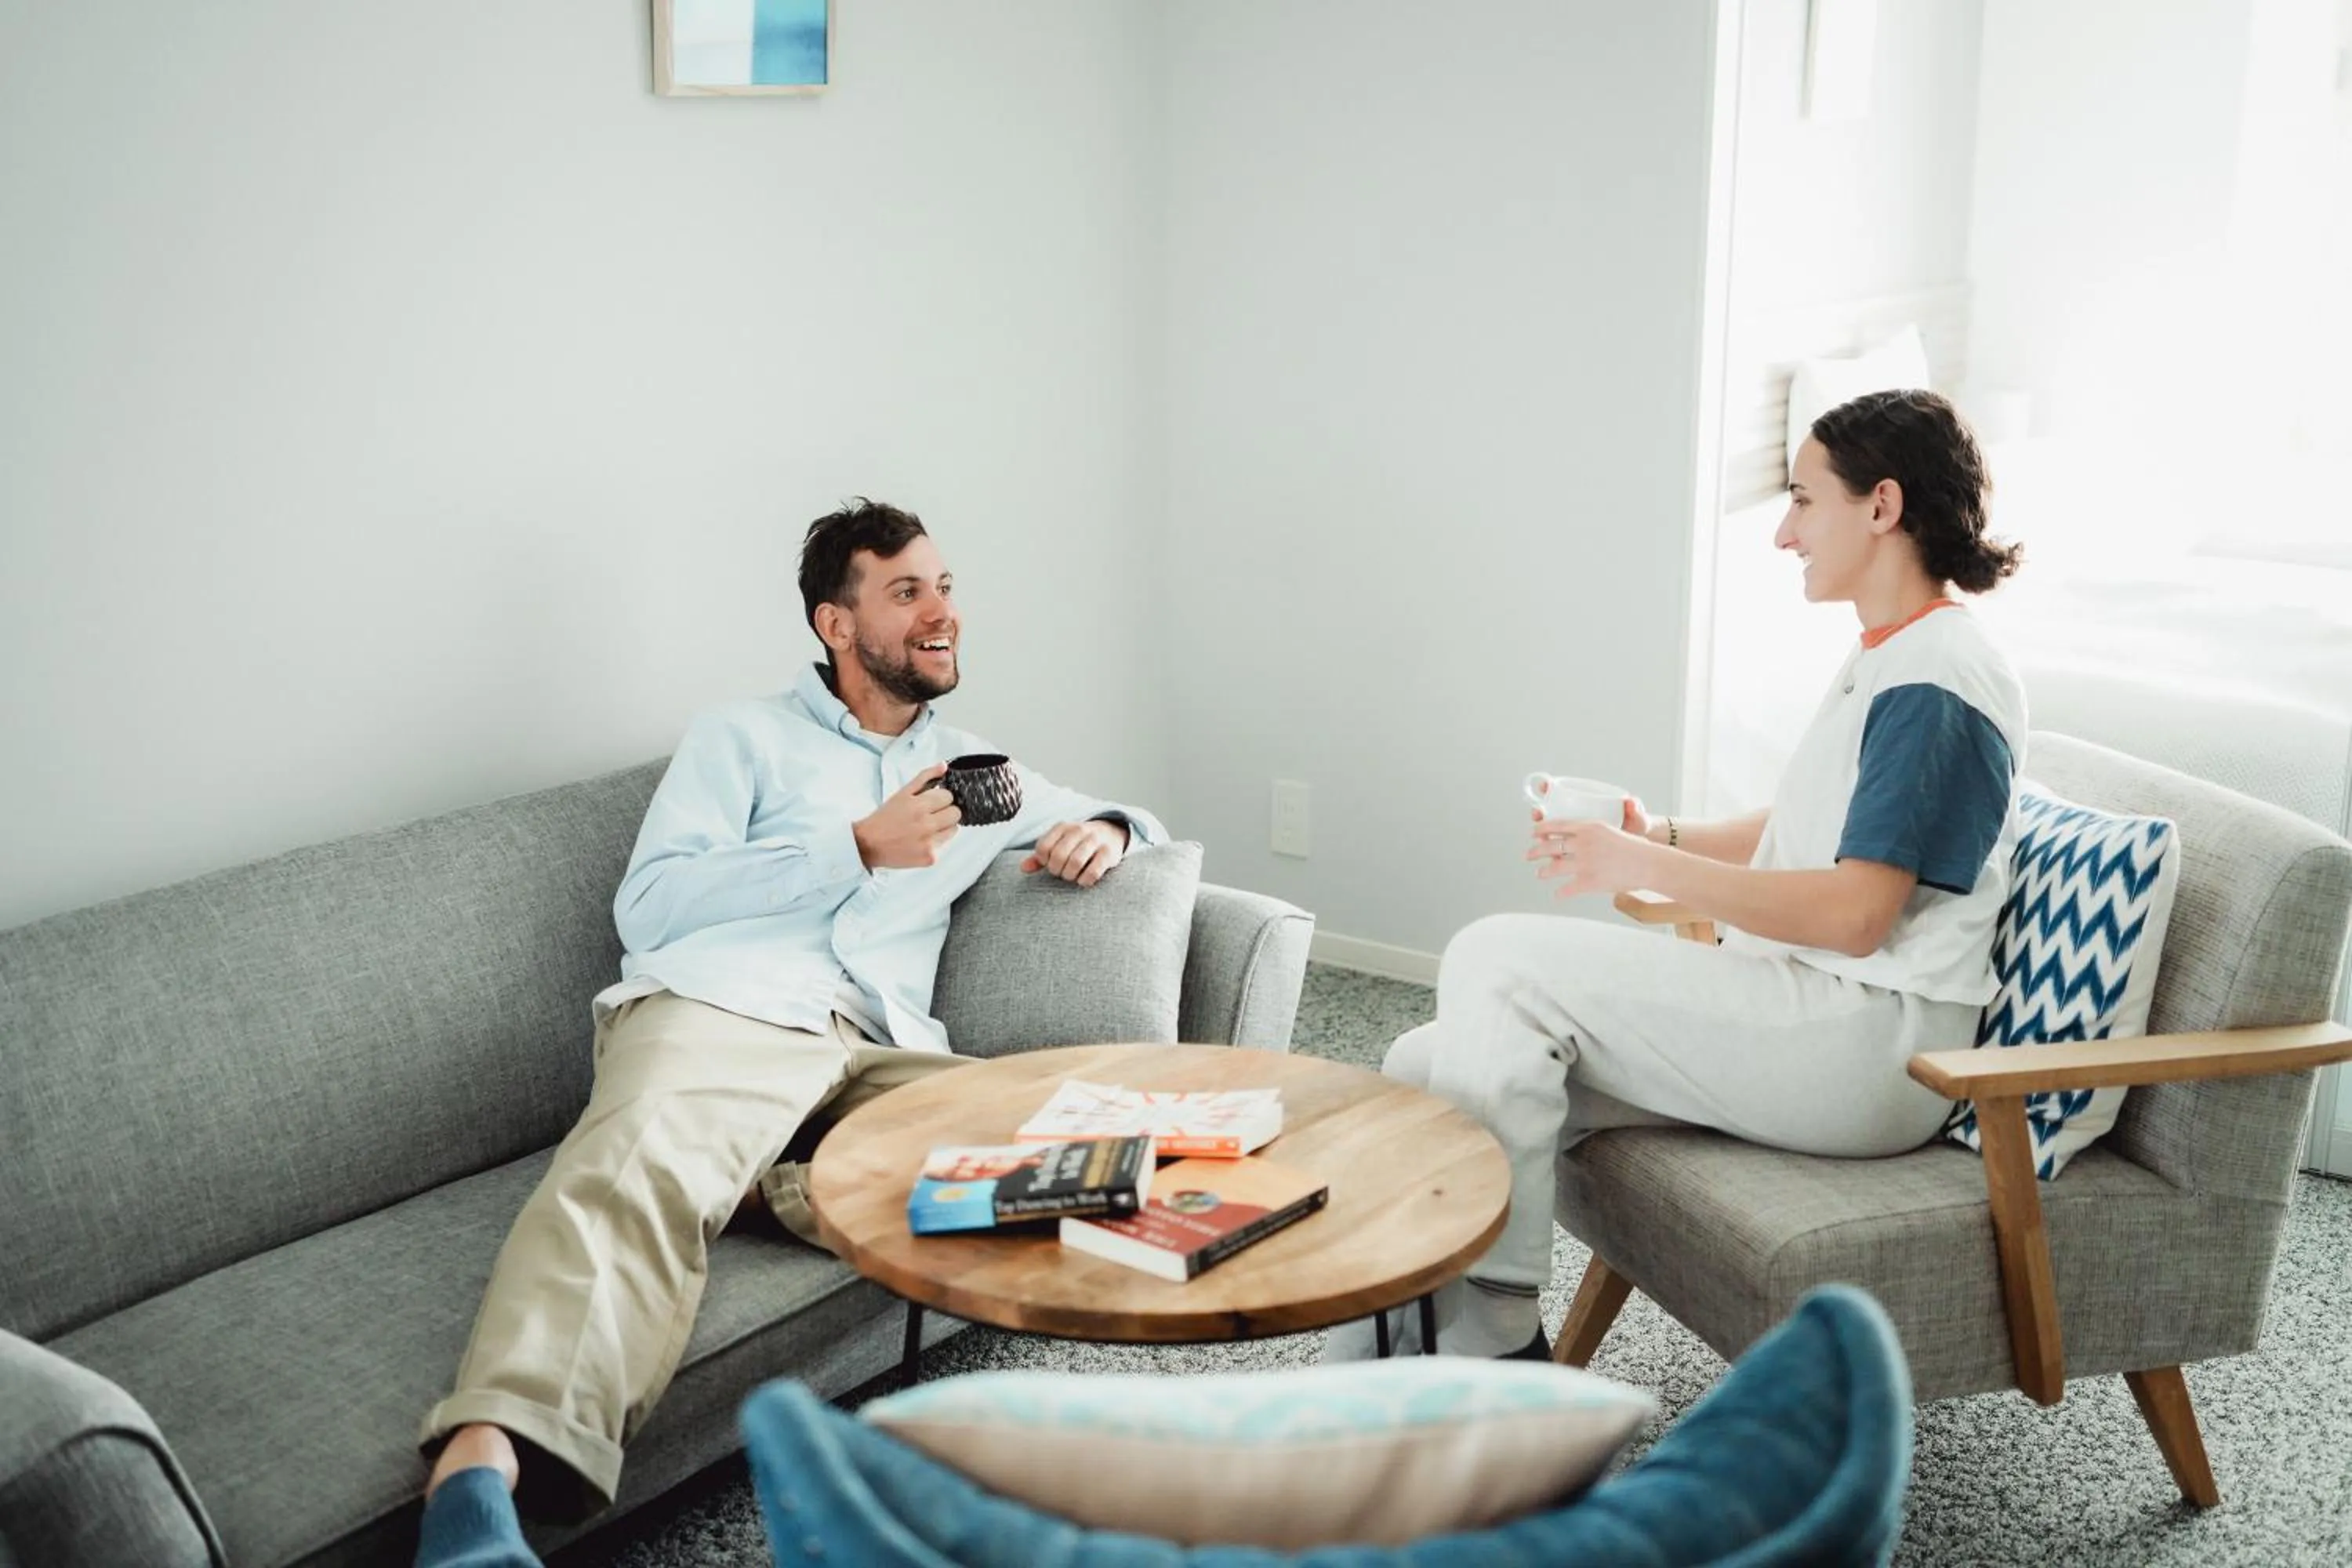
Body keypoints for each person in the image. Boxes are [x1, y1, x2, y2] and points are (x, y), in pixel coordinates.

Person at [419, 498, 1166, 1519]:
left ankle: (769, 1185)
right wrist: (852, 847)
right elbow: (650, 904)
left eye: (945, 587)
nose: (942, 613)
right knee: (629, 1177)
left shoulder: (975, 770)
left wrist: (1111, 830)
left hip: (876, 1045)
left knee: (1089, 1156)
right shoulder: (743, 737)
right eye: (907, 592)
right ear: (837, 623)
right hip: (722, 1013)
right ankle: (478, 1479)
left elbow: (1124, 814)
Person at [1329, 389, 2026, 1361]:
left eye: (1802, 499)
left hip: (1871, 1042)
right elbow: (1817, 828)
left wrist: (1643, 864)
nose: (1784, 532)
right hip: (1815, 1007)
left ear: (1882, 505)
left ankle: (1499, 1328)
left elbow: (1857, 913)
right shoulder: (1897, 653)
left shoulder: (1935, 677)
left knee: (1495, 955)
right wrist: (1660, 830)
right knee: (1423, 1067)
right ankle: (1382, 1365)